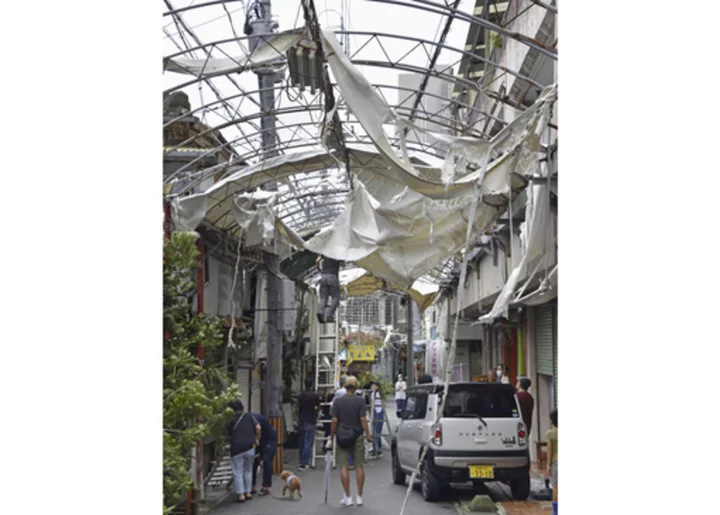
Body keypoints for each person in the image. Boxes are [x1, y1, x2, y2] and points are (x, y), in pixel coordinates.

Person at [330, 376, 373, 506]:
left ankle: (348, 497)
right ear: (356, 387)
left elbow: (334, 421)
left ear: (344, 386)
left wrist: (331, 436)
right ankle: (359, 496)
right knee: (359, 465)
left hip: (342, 436)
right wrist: (368, 434)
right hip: (357, 436)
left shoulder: (337, 401)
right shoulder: (360, 401)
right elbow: (363, 420)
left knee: (344, 466)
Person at [227, 400, 261, 503]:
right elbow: (258, 427)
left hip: (237, 448)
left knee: (238, 471)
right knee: (248, 470)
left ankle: (241, 495)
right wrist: (257, 439)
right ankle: (248, 493)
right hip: (250, 447)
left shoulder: (230, 419)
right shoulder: (249, 416)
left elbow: (228, 433)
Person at [249, 411, 277, 496]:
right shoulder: (244, 418)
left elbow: (258, 428)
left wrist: (257, 439)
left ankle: (266, 487)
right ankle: (252, 486)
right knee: (254, 461)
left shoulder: (252, 417)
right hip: (258, 440)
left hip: (269, 438)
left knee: (266, 460)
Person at [297, 377, 321, 471]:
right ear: (312, 384)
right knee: (308, 442)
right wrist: (315, 411)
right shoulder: (314, 396)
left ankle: (301, 461)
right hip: (311, 419)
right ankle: (304, 463)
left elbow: (299, 406)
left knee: (302, 441)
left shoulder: (301, 395)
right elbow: (319, 407)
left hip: (302, 419)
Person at [316, 255, 341, 323]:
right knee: (336, 297)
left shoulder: (325, 252)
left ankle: (320, 312)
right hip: (332, 276)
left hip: (323, 276)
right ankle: (329, 315)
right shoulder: (338, 253)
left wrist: (319, 269)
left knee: (323, 297)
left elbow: (317, 260)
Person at [545, 409, 558, 515]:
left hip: (556, 462)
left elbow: (549, 450)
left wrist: (548, 465)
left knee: (556, 487)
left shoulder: (550, 434)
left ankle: (556, 511)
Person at [369, 382, 384, 457]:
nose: (372, 386)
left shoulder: (377, 394)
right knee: (374, 432)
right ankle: (376, 450)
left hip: (378, 411)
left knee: (377, 433)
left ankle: (378, 450)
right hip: (375, 411)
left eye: (373, 385)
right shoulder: (373, 393)